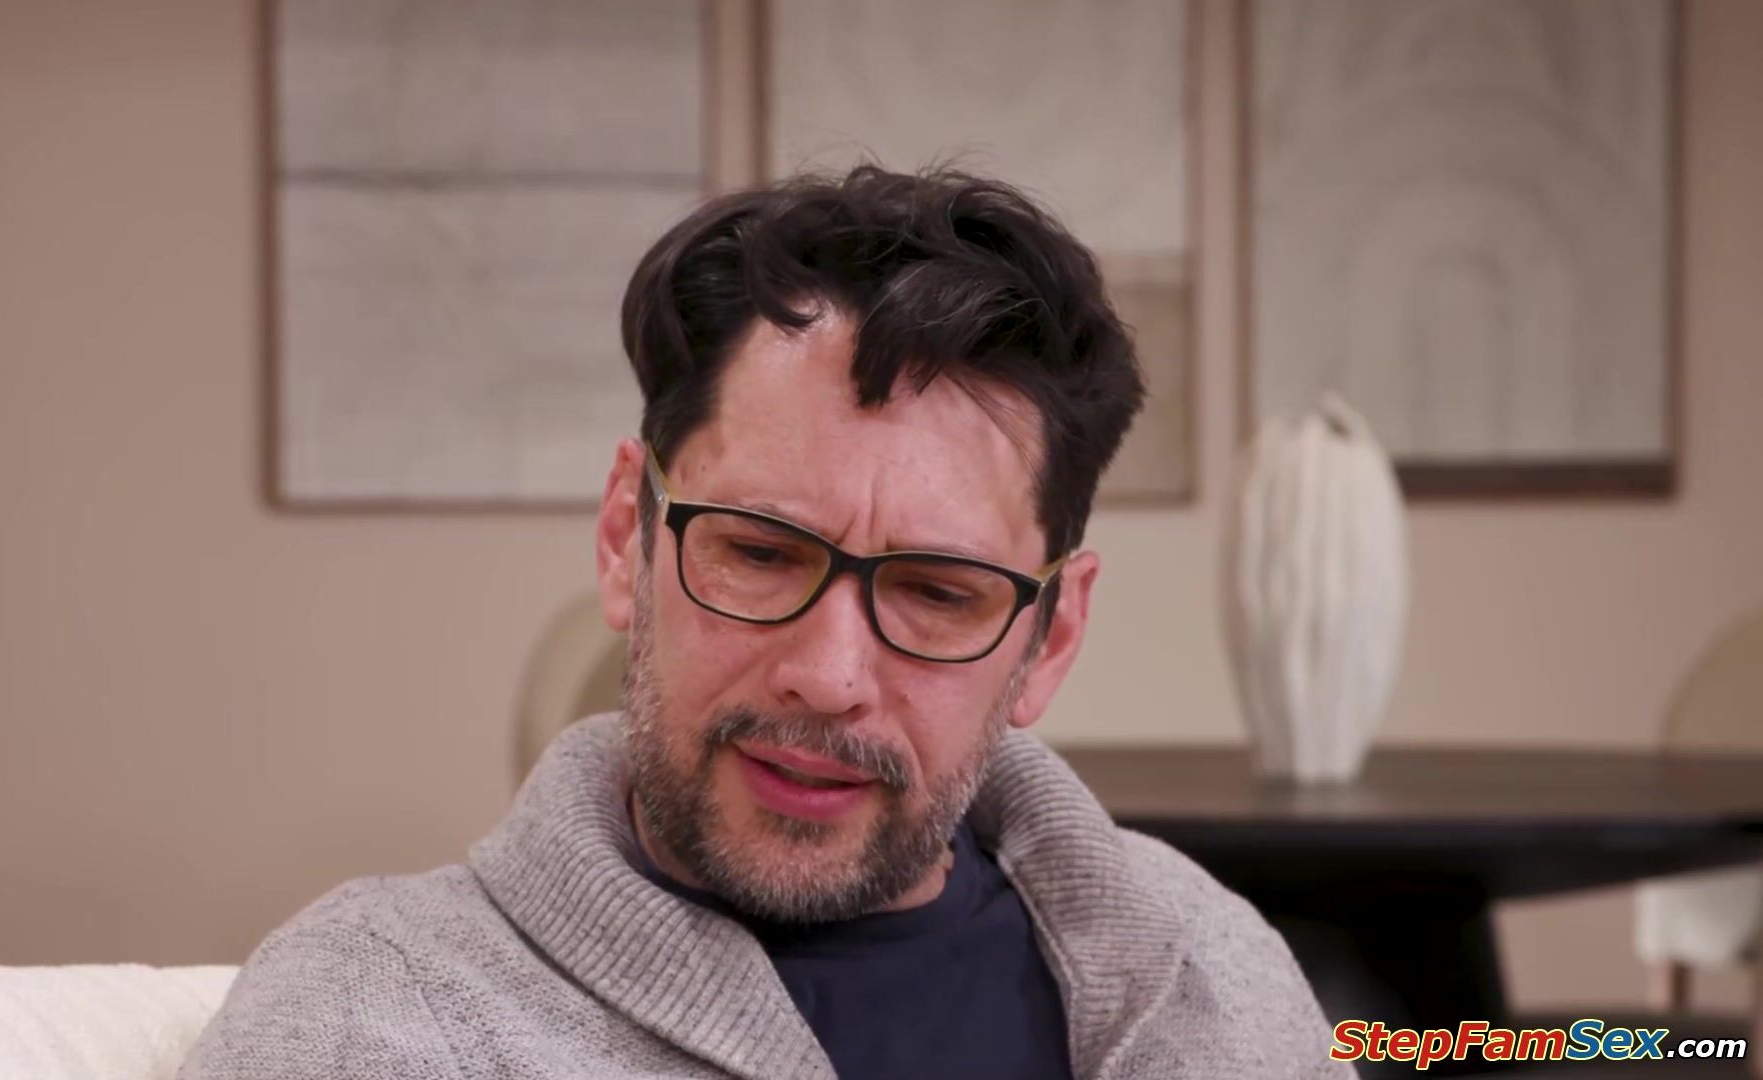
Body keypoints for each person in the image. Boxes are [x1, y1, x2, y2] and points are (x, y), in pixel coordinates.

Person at [182, 165, 1348, 1079]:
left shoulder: (1213, 973)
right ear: (627, 538)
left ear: (1050, 638)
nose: (829, 676)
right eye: (758, 552)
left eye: (937, 592)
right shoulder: (371, 1019)